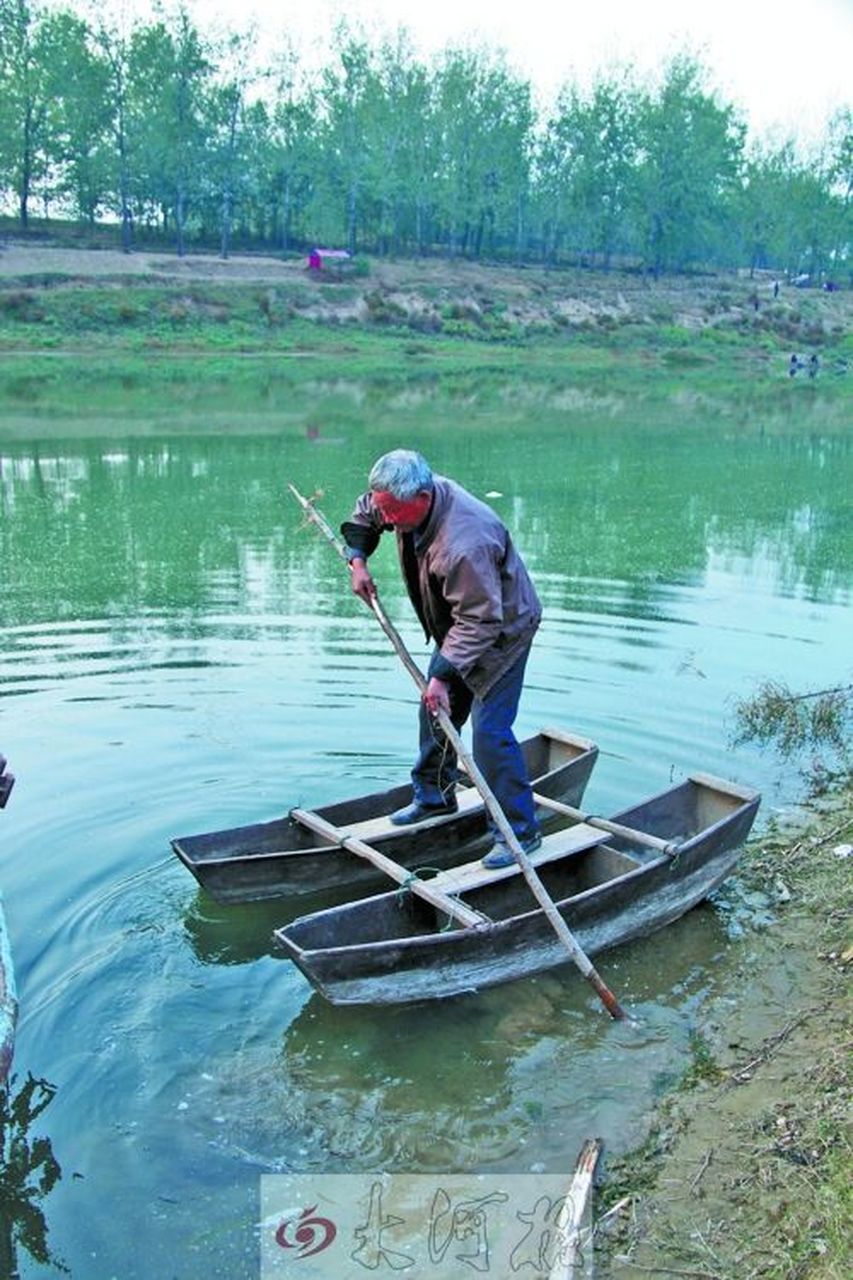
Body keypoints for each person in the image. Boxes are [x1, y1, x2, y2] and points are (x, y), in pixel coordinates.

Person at [341, 449, 542, 868]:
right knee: (433, 712)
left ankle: (520, 833)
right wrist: (357, 561)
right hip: (462, 623)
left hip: (501, 629)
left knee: (490, 733)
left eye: (394, 513)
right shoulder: (395, 500)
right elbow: (365, 513)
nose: (388, 521)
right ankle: (434, 799)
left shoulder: (466, 540)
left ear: (424, 498)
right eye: (386, 511)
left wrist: (442, 676)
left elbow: (482, 621)